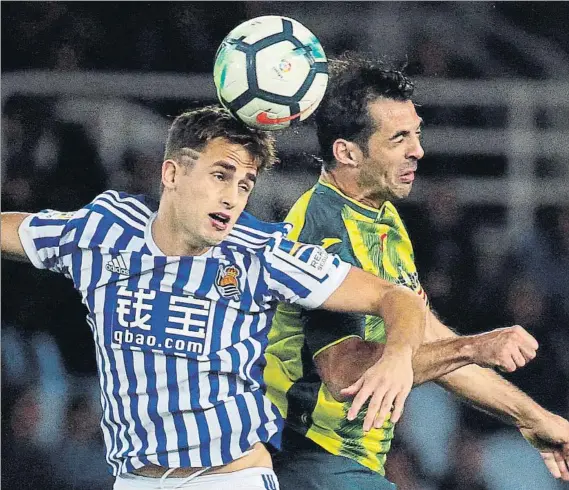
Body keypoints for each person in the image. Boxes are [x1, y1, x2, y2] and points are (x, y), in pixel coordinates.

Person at [1, 105, 429, 490]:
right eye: (220, 175)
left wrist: (396, 357)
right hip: (136, 479)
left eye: (245, 185)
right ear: (172, 174)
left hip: (232, 477)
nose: (232, 197)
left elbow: (397, 297)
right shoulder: (103, 232)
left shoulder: (260, 253)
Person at [264, 54, 569, 489]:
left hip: (350, 462)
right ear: (346, 152)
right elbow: (345, 374)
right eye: (398, 138)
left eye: (417, 133)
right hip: (309, 459)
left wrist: (534, 418)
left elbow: (427, 343)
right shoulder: (324, 228)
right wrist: (475, 348)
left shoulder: (382, 219)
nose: (418, 150)